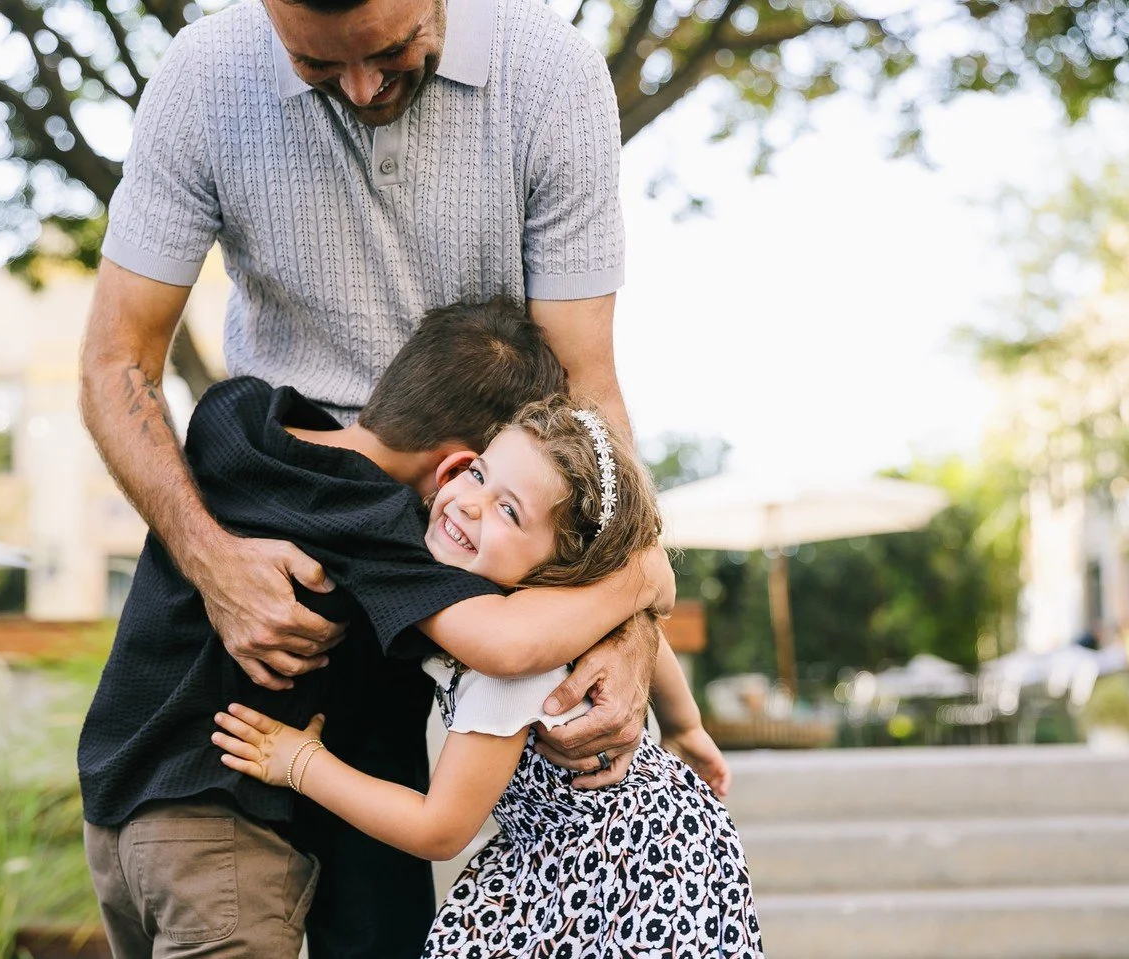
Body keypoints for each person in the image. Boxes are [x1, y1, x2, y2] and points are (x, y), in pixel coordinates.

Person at [79, 0, 657, 824]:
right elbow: (116, 362)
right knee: (225, 859)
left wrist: (629, 625)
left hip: (470, 541)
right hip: (274, 520)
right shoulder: (203, 75)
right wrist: (211, 560)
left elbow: (584, 384)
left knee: (393, 904)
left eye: (392, 49)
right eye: (315, 66)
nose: (359, 87)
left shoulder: (551, 72)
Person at [79, 299, 676, 959]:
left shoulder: (234, 415)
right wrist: (642, 577)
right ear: (453, 467)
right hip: (220, 837)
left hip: (112, 810)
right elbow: (506, 643)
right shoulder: (382, 529)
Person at [215, 396, 761, 958]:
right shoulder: (568, 611)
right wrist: (684, 726)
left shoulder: (514, 670)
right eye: (478, 473)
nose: (471, 504)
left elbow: (441, 830)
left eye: (510, 511)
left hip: (636, 870)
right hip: (573, 849)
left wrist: (302, 762)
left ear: (563, 568)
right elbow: (647, 631)